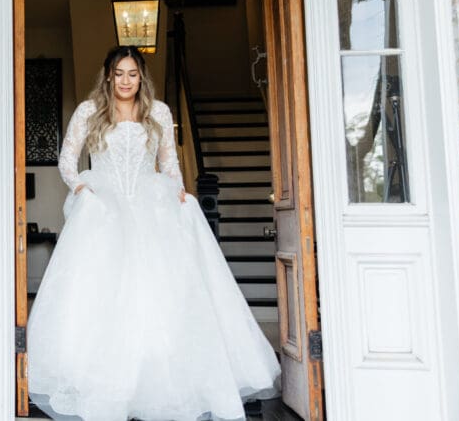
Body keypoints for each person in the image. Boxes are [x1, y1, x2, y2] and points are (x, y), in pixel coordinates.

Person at [27, 46, 280, 421]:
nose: (126, 81)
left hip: (150, 204)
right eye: (119, 73)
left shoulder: (159, 112)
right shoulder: (88, 111)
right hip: (105, 208)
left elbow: (169, 163)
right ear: (108, 75)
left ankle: (159, 384)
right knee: (100, 294)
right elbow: (67, 160)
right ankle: (102, 383)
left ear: (141, 77)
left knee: (161, 294)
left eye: (133, 73)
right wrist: (82, 189)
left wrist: (177, 193)